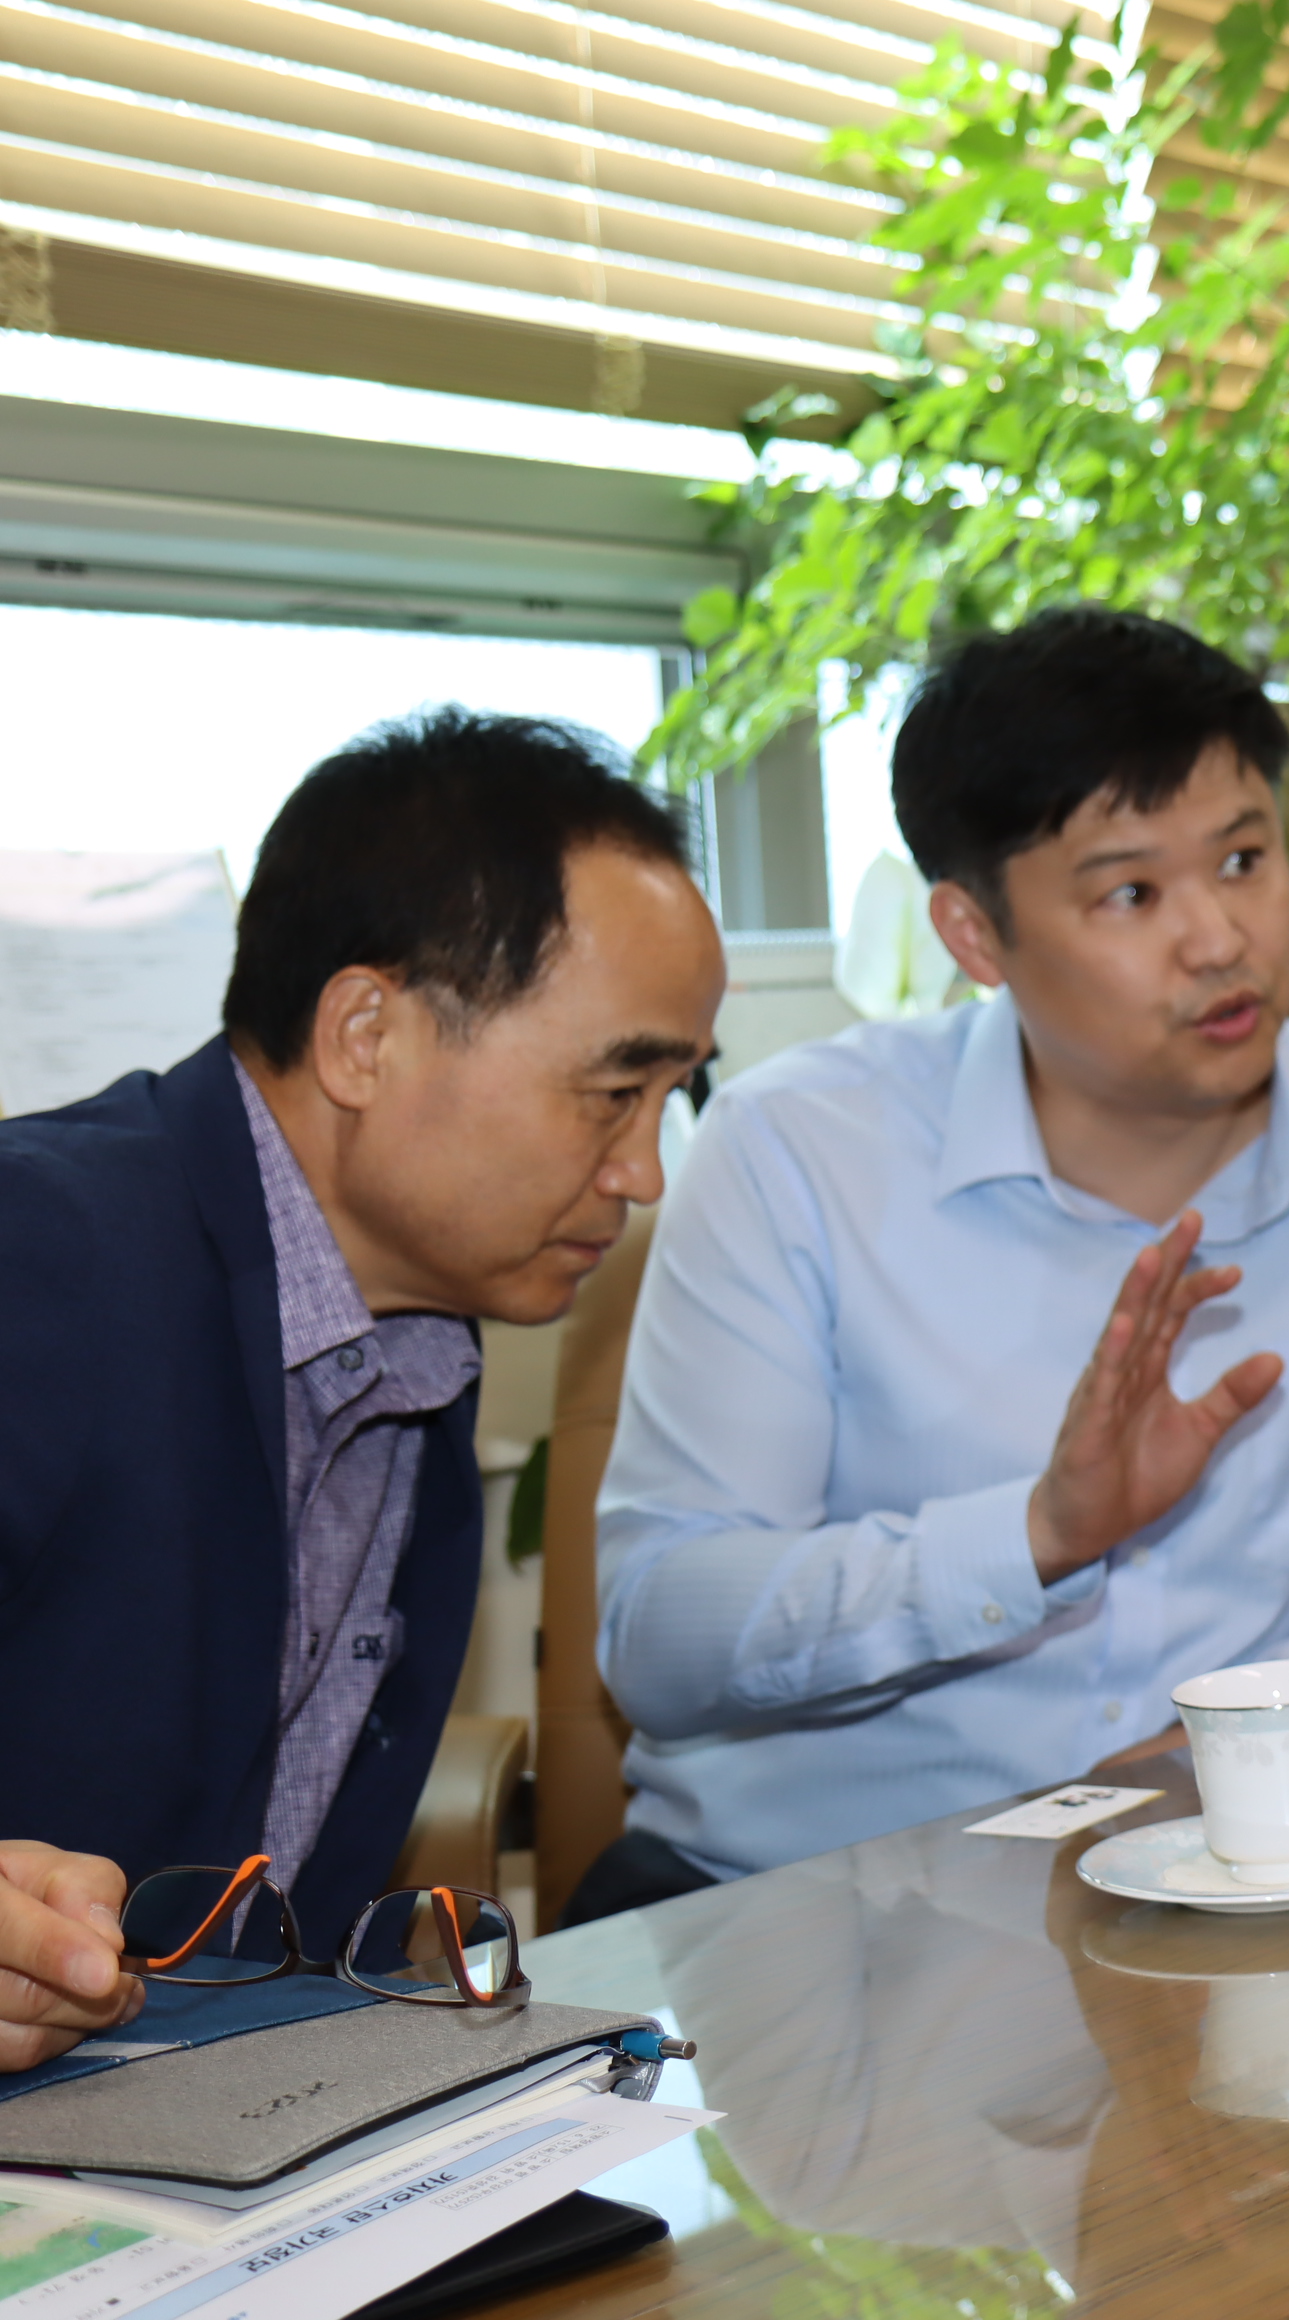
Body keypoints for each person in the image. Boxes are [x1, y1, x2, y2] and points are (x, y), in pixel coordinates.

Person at [589, 607, 1289, 1910]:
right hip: (812, 1905)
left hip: (1240, 1874)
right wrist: (1032, 1536)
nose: (1220, 937)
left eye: (1244, 859)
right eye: (1131, 893)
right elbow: (662, 1636)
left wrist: (1215, 1752)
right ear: (975, 936)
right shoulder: (798, 1149)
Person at [0, 710, 722, 2070]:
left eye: (672, 1096)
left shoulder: (416, 1356)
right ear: (365, 1035)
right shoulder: (38, 1249)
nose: (642, 1174)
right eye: (614, 1088)